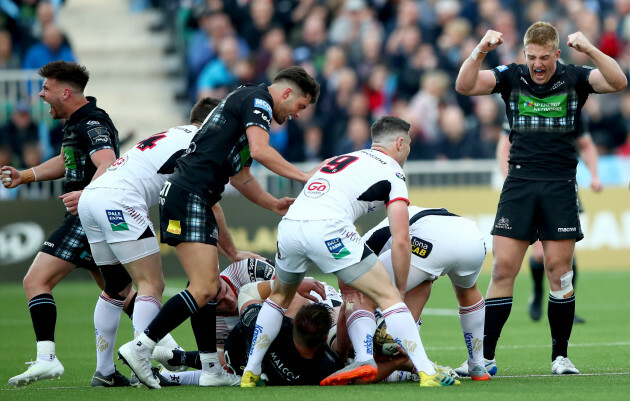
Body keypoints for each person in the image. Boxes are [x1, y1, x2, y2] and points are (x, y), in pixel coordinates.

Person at [118, 66, 322, 389]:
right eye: (301, 106)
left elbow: (241, 176)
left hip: (192, 196)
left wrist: (273, 203)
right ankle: (141, 348)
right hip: (191, 196)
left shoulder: (245, 107)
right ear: (287, 93)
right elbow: (260, 150)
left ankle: (212, 368)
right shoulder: (258, 101)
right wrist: (305, 176)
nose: (298, 114)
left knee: (206, 287)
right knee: (203, 288)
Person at [454, 22, 627, 375]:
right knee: (503, 269)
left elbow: (619, 81)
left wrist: (591, 49)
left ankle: (560, 357)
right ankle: (483, 358)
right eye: (532, 57)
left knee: (559, 272)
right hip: (518, 182)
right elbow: (465, 85)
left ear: (557, 54)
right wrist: (481, 49)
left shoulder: (576, 77)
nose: (537, 64)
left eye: (544, 57)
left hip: (559, 184)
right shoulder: (511, 76)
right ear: (524, 54)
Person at [241, 116, 460, 388]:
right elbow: (401, 238)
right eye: (410, 144)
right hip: (329, 228)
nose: (409, 151)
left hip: (290, 226)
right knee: (387, 295)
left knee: (279, 297)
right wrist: (398, 292)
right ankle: (427, 371)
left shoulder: (347, 156)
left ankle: (250, 372)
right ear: (400, 143)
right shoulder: (393, 171)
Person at [77, 98, 224, 386]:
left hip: (92, 196)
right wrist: (230, 249)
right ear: (213, 122)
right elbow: (208, 200)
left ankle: (104, 371)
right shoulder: (202, 142)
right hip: (119, 200)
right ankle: (141, 364)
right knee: (151, 284)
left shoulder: (172, 133)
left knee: (116, 287)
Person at [1, 61, 132, 387]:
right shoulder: (76, 123)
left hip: (88, 216)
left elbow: (108, 162)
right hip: (90, 215)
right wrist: (25, 175)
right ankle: (166, 351)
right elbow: (66, 161)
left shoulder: (92, 122)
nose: (41, 95)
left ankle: (46, 359)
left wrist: (86, 195)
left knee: (35, 281)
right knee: (119, 291)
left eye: (45, 88)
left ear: (65, 91)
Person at [337, 205, 490, 382]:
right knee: (467, 292)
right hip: (473, 238)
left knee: (357, 293)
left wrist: (340, 352)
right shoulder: (406, 217)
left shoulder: (364, 244)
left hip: (430, 242)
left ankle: (364, 359)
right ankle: (478, 366)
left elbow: (350, 296)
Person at [495, 120, 602, 324]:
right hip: (527, 186)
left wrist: (595, 175)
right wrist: (509, 178)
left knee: (568, 257)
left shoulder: (571, 105)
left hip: (562, 187)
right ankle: (537, 292)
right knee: (539, 254)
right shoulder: (522, 103)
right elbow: (504, 146)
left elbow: (586, 145)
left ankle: (568, 306)